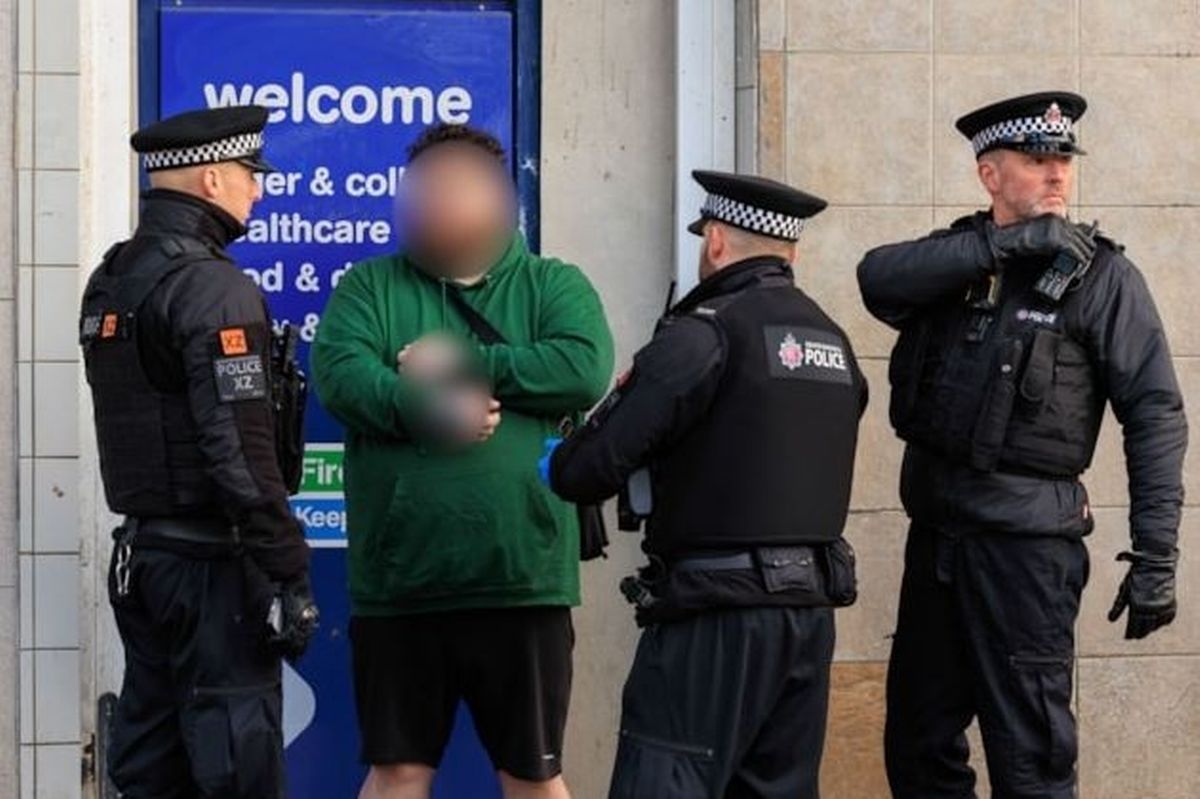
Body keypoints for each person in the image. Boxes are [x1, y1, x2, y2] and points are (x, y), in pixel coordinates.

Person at [857, 91, 1188, 799]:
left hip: (1026, 554)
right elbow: (875, 278)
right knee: (917, 747)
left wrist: (1156, 553)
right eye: (1037, 161)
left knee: (1031, 760)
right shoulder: (957, 260)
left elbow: (1155, 412)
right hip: (939, 544)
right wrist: (1001, 246)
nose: (1058, 175)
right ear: (990, 175)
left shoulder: (1104, 278)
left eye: (1063, 160)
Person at [310, 123, 614, 799]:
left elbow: (583, 366)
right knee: (398, 771)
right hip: (401, 584)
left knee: (533, 773)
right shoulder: (369, 288)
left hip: (520, 579)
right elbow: (341, 378)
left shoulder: (550, 284)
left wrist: (467, 361)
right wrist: (432, 410)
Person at [549, 170, 868, 799]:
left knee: (666, 780)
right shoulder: (833, 340)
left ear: (716, 242)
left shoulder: (704, 333)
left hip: (715, 617)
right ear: (791, 252)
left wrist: (562, 454)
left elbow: (588, 470)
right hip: (806, 617)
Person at [80, 105, 318, 799]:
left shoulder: (115, 276)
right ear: (214, 178)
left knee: (153, 767)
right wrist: (285, 567)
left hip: (144, 560)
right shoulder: (214, 287)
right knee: (236, 765)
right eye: (251, 174)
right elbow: (239, 448)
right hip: (213, 568)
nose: (260, 190)